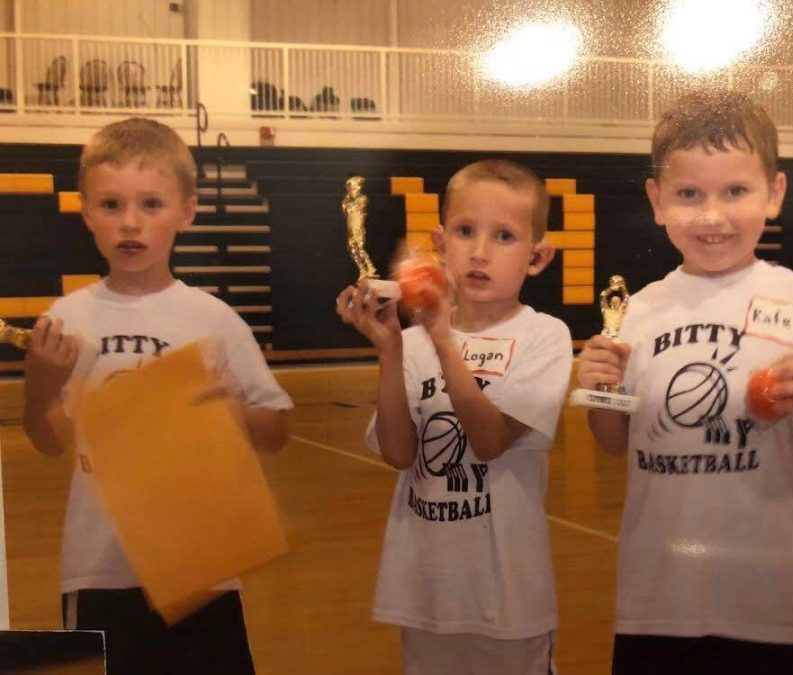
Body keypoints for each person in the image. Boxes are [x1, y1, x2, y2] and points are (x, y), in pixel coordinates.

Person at [577, 89, 793, 675]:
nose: (712, 216)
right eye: (689, 194)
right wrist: (601, 389)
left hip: (770, 598)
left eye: (735, 191)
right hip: (656, 598)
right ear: (657, 202)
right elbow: (613, 442)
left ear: (775, 193)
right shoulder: (636, 312)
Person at [22, 117, 292, 675]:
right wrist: (41, 385)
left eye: (150, 203)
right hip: (99, 569)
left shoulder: (213, 318)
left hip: (202, 565)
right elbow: (48, 440)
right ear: (86, 210)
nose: (130, 223)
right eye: (112, 204)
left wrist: (231, 413)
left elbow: (276, 433)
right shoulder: (65, 319)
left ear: (187, 211)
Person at [336, 159, 572, 674]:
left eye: (504, 236)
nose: (480, 251)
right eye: (466, 231)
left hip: (508, 594)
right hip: (426, 589)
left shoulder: (544, 337)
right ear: (441, 244)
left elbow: (489, 441)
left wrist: (443, 342)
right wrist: (392, 350)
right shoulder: (416, 341)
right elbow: (400, 455)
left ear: (538, 256)